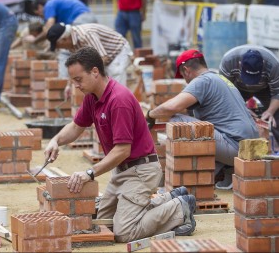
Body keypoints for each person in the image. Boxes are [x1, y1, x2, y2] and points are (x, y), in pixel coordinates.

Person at [44, 46, 197, 242]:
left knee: (123, 232)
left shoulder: (119, 100)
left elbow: (122, 150)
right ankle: (166, 200)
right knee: (104, 223)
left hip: (141, 170)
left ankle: (179, 208)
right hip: (123, 172)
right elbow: (76, 126)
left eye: (78, 79)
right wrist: (55, 140)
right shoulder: (93, 98)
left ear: (95, 72)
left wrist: (89, 173)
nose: (76, 85)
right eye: (73, 80)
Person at [146, 49, 259, 190]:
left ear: (186, 70)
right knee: (199, 124)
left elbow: (171, 107)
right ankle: (221, 172)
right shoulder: (219, 77)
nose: (185, 81)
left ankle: (188, 180)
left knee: (176, 121)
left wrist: (150, 115)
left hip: (236, 147)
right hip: (252, 146)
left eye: (183, 76)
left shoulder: (202, 81)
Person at [219, 45, 279, 148]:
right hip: (237, 88)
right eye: (248, 77)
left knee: (276, 119)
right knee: (230, 115)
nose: (250, 84)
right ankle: (232, 149)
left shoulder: (273, 65)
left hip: (265, 89)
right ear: (239, 64)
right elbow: (224, 94)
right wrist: (242, 109)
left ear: (263, 64)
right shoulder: (229, 61)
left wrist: (270, 111)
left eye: (254, 77)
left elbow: (277, 93)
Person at [47, 23, 133, 88]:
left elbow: (103, 58)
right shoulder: (71, 44)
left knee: (115, 82)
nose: (60, 48)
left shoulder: (86, 35)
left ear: (65, 39)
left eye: (58, 45)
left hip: (118, 51)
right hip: (105, 58)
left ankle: (121, 107)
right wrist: (69, 85)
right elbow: (78, 65)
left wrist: (86, 74)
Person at [30, 0, 97, 77]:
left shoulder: (49, 5)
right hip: (88, 17)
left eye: (38, 13)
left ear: (40, 7)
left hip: (82, 19)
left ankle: (63, 80)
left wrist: (34, 40)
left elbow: (48, 29)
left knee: (65, 51)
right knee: (85, 50)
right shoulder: (55, 4)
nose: (41, 16)